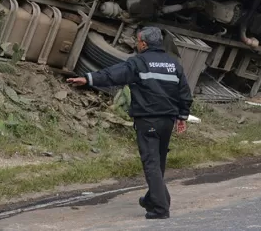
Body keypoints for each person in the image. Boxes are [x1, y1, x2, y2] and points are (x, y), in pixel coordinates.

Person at [67, 26, 193, 220]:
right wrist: (182, 117)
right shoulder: (173, 64)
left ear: (143, 43)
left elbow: (113, 74)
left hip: (148, 119)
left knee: (151, 163)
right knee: (158, 163)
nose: (136, 44)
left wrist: (88, 78)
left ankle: (160, 209)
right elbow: (185, 93)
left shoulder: (139, 62)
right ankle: (154, 199)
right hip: (167, 121)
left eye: (137, 41)